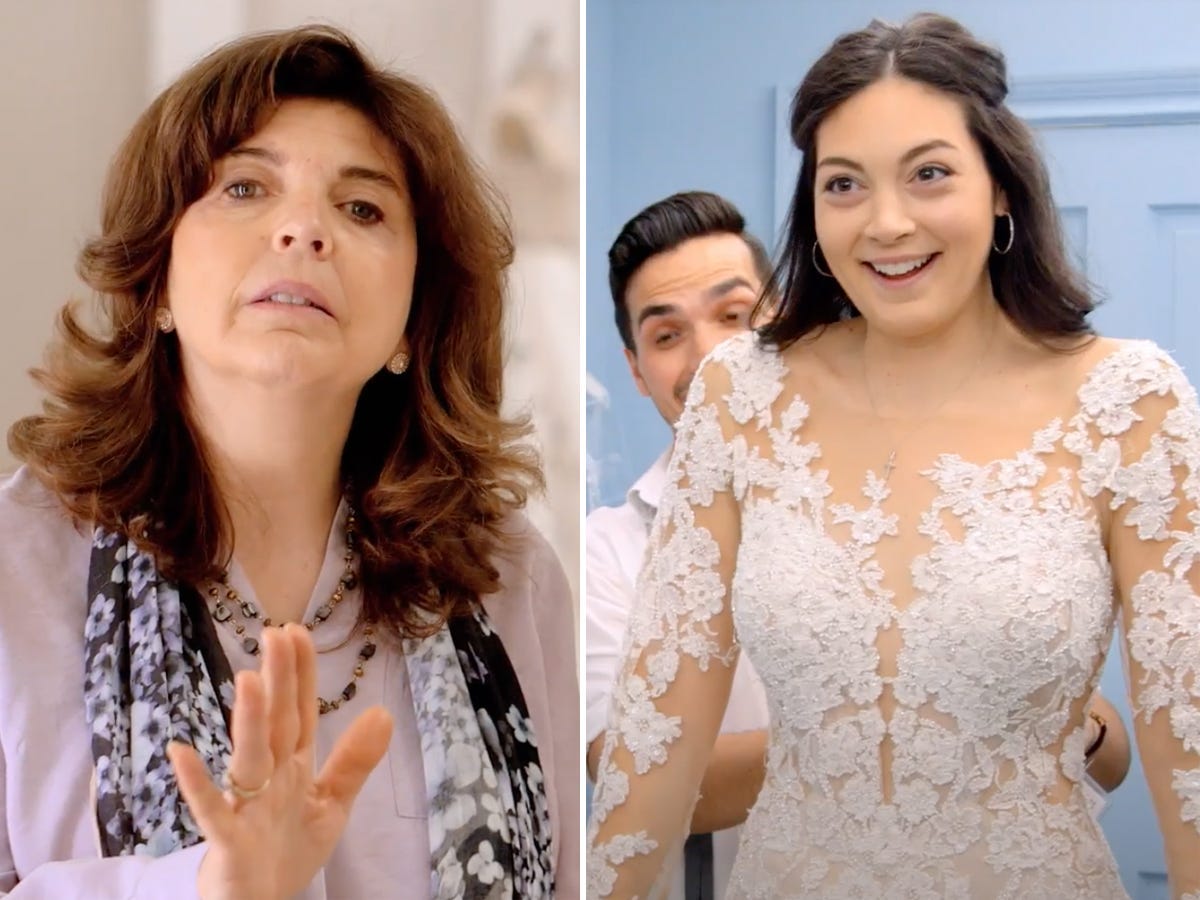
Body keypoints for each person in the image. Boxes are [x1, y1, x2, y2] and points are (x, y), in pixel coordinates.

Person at [588, 14, 1184, 899]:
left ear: (1001, 188)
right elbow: (654, 744)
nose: (887, 223)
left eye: (930, 173)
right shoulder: (740, 399)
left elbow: (1191, 761)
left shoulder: (1130, 403)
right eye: (844, 185)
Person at [0, 25, 578, 900]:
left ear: (412, 323)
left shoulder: (506, 576)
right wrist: (208, 886)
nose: (304, 228)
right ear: (154, 281)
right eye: (244, 186)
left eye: (362, 209)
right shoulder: (17, 563)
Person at [587, 191, 774, 900]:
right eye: (668, 336)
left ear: (780, 319)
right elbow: (632, 785)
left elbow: (1101, 748)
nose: (710, 357)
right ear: (637, 370)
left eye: (734, 317)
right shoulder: (605, 553)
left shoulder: (887, 498)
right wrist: (897, 731)